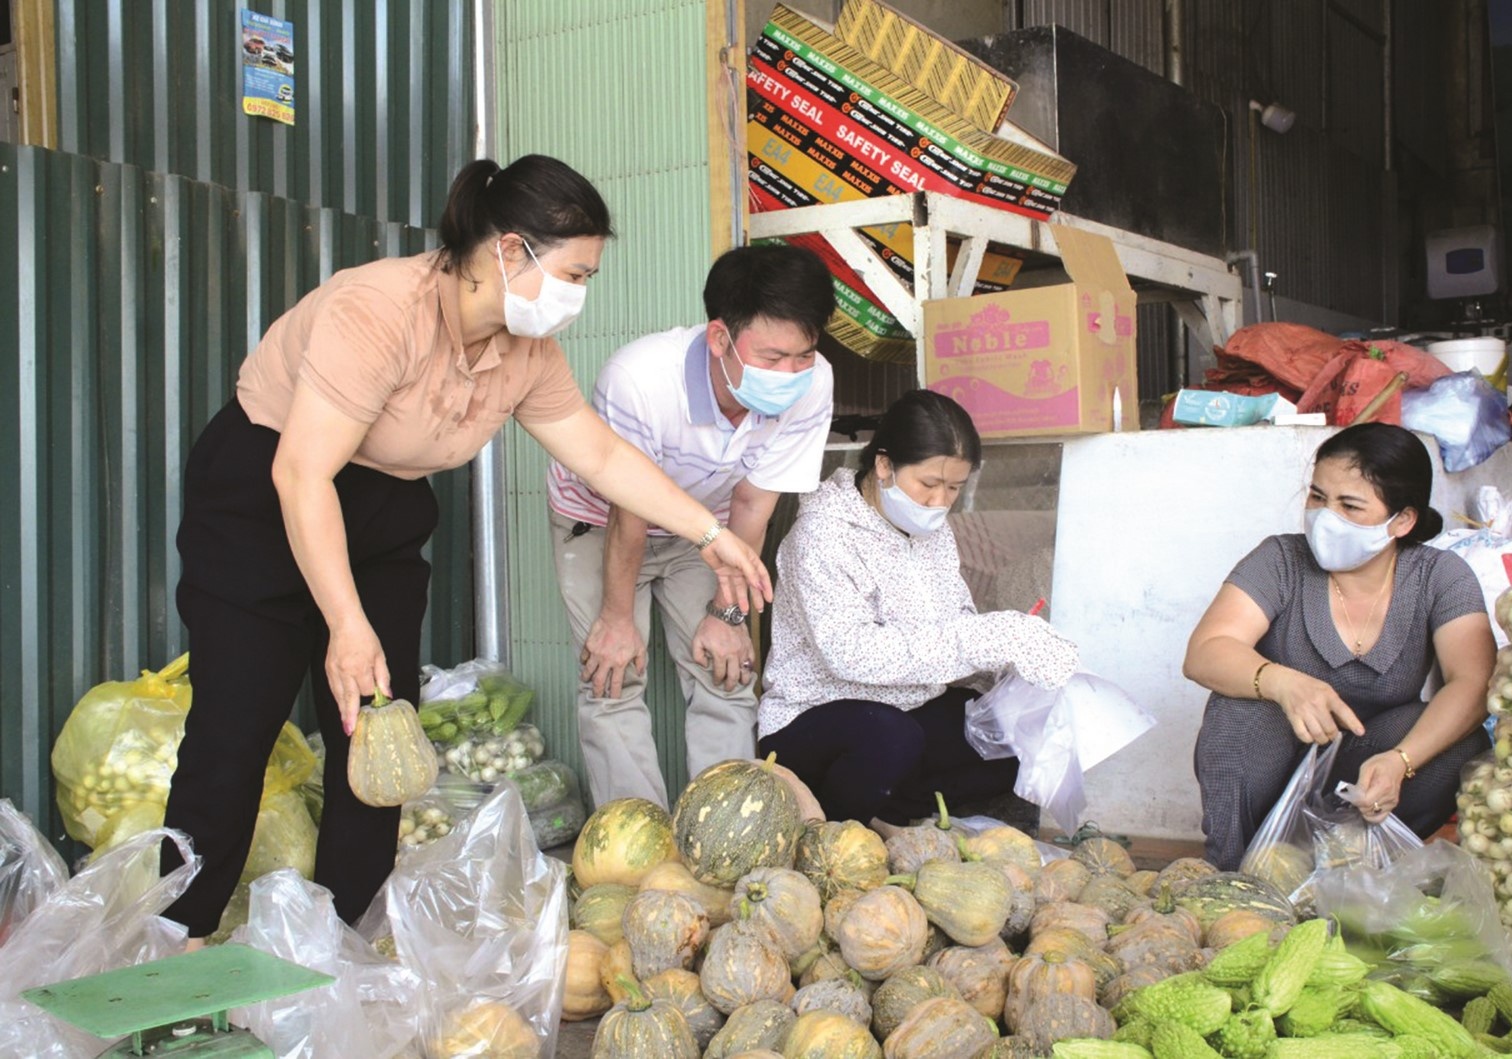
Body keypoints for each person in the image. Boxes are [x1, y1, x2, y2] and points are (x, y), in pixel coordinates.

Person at [159, 154, 771, 942]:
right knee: (234, 728)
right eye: (575, 273)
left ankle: (346, 933)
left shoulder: (524, 350)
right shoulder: (378, 310)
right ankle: (174, 935)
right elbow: (301, 471)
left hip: (382, 508)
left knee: (379, 731)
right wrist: (346, 625)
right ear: (510, 252)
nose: (579, 296)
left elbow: (603, 456)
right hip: (268, 494)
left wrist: (710, 533)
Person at [546, 244, 836, 807]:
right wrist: (615, 618)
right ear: (719, 338)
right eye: (773, 357)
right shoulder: (640, 378)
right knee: (612, 673)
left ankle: (724, 830)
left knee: (726, 670)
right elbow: (628, 507)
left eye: (805, 354)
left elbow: (754, 504)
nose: (792, 373)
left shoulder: (812, 384)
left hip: (708, 529)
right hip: (602, 520)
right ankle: (637, 843)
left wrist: (728, 615)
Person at [756, 389, 1080, 826]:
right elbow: (852, 654)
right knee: (890, 739)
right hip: (816, 715)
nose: (939, 502)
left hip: (910, 704)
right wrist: (985, 638)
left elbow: (955, 625)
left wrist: (1010, 662)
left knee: (1012, 740)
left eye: (954, 488)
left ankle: (887, 813)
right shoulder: (823, 535)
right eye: (928, 484)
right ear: (885, 465)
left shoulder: (932, 530)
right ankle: (829, 830)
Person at [1184, 422, 1495, 870]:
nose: (1326, 516)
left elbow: (1473, 682)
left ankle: (1351, 870)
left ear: (1402, 520)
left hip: (1369, 764)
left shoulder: (1438, 576)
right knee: (1238, 713)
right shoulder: (1281, 560)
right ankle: (1235, 875)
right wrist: (1281, 682)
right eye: (1317, 497)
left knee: (1455, 744)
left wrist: (1400, 761)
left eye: (1349, 505)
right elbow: (1206, 650)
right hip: (1281, 758)